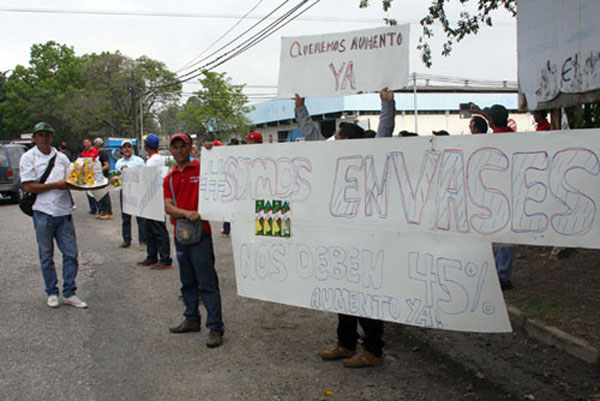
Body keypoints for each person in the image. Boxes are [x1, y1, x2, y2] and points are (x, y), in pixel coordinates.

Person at [294, 87, 395, 368]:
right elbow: (312, 136)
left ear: (350, 141)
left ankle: (373, 350)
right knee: (344, 294)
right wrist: (301, 107)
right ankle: (346, 344)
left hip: (365, 239)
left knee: (366, 296)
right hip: (340, 238)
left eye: (337, 137)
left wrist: (388, 104)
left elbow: (385, 132)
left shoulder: (371, 157)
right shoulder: (332, 160)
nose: (332, 141)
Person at [164, 132, 225, 348]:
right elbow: (167, 206)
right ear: (170, 150)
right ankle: (191, 318)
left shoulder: (203, 170)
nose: (179, 150)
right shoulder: (169, 178)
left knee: (207, 282)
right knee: (187, 281)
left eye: (184, 146)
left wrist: (213, 147)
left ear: (191, 149)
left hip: (202, 234)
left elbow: (223, 159)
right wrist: (187, 213)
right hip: (181, 235)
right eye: (176, 147)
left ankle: (215, 327)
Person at [19, 122, 87, 309]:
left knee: (71, 254)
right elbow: (28, 186)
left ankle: (69, 292)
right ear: (34, 138)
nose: (44, 138)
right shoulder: (28, 157)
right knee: (46, 255)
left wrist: (91, 182)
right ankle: (51, 291)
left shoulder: (62, 157)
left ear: (52, 137)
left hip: (63, 212)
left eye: (47, 135)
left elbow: (70, 181)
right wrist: (54, 185)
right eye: (40, 135)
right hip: (42, 212)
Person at [472, 103, 515, 290]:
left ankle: (497, 274)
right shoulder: (515, 138)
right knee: (506, 237)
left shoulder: (490, 142)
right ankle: (502, 274)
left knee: (495, 236)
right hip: (510, 194)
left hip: (492, 195)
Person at [136, 134, 172, 270]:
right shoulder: (153, 159)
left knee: (158, 229)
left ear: (146, 146)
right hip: (151, 197)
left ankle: (165, 258)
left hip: (154, 197)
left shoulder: (154, 160)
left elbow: (146, 178)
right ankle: (152, 256)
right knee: (149, 228)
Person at [112, 139, 146, 248]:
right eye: (124, 147)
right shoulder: (119, 163)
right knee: (125, 217)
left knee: (140, 217)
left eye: (129, 146)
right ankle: (126, 240)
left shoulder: (139, 161)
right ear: (121, 149)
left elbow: (144, 175)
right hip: (124, 191)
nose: (127, 149)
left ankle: (143, 241)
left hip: (137, 190)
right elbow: (115, 177)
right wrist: (113, 180)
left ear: (132, 148)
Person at [94, 138, 113, 220]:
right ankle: (102, 211)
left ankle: (108, 212)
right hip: (98, 177)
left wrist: (98, 170)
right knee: (99, 195)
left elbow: (107, 165)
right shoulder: (97, 154)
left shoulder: (104, 154)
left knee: (105, 194)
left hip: (104, 177)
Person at [81, 138, 99, 214]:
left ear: (90, 143)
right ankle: (92, 208)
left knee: (96, 191)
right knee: (88, 192)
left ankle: (99, 208)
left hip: (95, 173)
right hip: (86, 174)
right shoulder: (83, 152)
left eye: (87, 142)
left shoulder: (95, 151)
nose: (86, 144)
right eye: (85, 143)